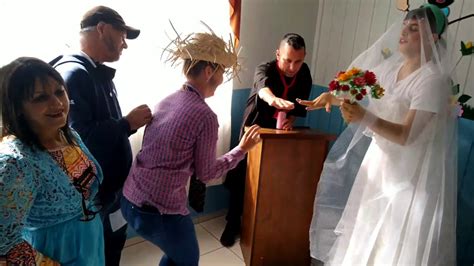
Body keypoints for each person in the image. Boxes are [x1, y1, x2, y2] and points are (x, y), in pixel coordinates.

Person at [298, 4, 457, 265]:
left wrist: (364, 117)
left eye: (414, 29)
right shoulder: (390, 69)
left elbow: (407, 135)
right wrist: (333, 97)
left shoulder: (432, 80)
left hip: (408, 179)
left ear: (433, 38)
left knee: (393, 243)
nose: (404, 32)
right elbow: (362, 94)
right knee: (365, 234)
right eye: (405, 25)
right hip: (379, 169)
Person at [120, 26, 261, 266]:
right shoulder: (204, 115)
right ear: (208, 71)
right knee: (187, 259)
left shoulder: (167, 99)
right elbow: (205, 173)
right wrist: (241, 149)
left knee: (176, 257)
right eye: (222, 71)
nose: (222, 79)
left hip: (129, 199)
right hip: (159, 212)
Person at [51, 6, 152, 266]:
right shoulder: (74, 74)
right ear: (102, 28)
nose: (125, 45)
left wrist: (126, 126)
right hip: (93, 199)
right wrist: (126, 123)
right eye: (122, 36)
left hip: (111, 194)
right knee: (98, 256)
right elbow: (77, 139)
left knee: (112, 249)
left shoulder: (96, 71)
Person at [0, 57, 104, 265]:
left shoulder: (68, 135)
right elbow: (4, 244)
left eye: (59, 92)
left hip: (89, 243)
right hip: (54, 251)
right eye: (40, 98)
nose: (57, 104)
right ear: (17, 107)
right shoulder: (16, 163)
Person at [220, 33, 312, 247]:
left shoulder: (304, 72)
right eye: (287, 60)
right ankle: (232, 223)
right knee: (242, 178)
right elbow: (263, 90)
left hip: (280, 133)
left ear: (304, 57)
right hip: (255, 127)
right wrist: (275, 100)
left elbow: (299, 105)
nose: (292, 67)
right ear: (278, 54)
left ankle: (262, 224)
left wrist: (290, 119)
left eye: (298, 61)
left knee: (272, 178)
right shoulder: (265, 68)